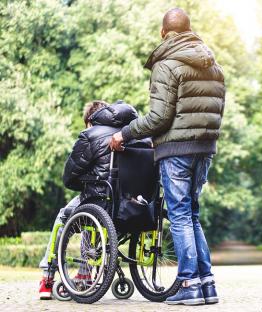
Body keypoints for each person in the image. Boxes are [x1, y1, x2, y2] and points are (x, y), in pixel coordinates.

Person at [110, 7, 225, 306]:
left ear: (164, 32)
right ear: (188, 29)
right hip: (205, 148)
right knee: (193, 214)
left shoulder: (167, 63)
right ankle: (206, 284)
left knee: (180, 215)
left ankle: (188, 283)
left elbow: (159, 117)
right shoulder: (213, 65)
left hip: (177, 150)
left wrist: (125, 134)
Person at [38, 100, 139, 299]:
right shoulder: (133, 135)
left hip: (101, 199)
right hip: (132, 203)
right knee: (90, 215)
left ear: (90, 121)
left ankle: (48, 276)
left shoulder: (91, 135)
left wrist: (83, 183)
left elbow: (69, 176)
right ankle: (85, 272)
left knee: (69, 215)